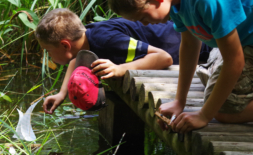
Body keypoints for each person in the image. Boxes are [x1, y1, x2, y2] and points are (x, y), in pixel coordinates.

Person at [108, 0, 253, 133]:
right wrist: (179, 101)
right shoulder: (176, 5)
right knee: (211, 80)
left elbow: (234, 61)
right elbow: (190, 44)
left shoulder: (206, 3)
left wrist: (204, 115)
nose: (144, 24)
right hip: (241, 40)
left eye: (143, 18)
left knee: (223, 111)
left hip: (246, 42)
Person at [35, 8, 211, 114]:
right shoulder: (85, 38)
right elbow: (76, 61)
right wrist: (61, 94)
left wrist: (121, 69)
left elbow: (164, 58)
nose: (49, 56)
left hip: (199, 47)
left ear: (65, 45)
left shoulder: (106, 40)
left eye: (49, 51)